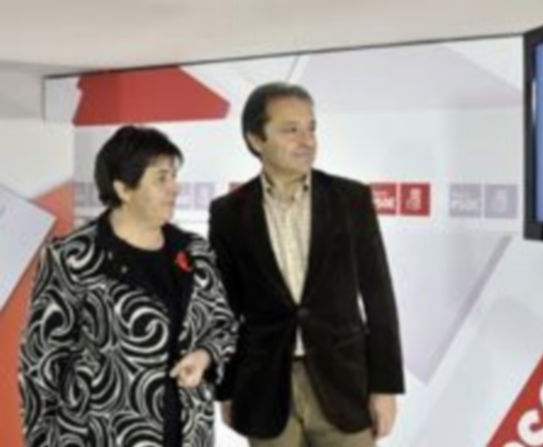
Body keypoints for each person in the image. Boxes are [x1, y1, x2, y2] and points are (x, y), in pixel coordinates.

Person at [209, 82, 404, 447]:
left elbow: (379, 298)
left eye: (311, 127)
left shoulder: (351, 199)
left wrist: (385, 387)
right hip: (265, 389)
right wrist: (227, 388)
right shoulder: (228, 214)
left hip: (344, 387)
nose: (307, 140)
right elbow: (226, 310)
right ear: (256, 139)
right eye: (290, 129)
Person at [19, 125, 238, 446]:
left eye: (174, 176)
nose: (175, 188)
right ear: (123, 188)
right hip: (99, 436)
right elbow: (41, 360)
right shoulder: (73, 256)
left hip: (188, 434)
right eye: (161, 178)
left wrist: (205, 355)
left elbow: (224, 326)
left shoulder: (195, 250)